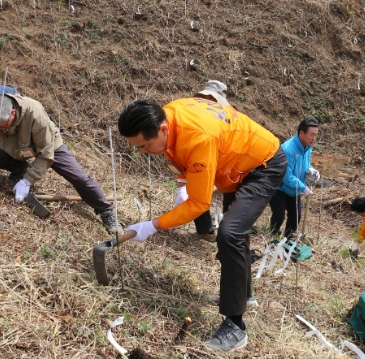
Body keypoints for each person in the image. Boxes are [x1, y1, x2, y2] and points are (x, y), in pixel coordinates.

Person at [118, 98, 287, 352]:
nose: (143, 151)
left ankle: (235, 326)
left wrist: (154, 225)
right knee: (235, 234)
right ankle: (244, 295)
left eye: (144, 145)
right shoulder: (169, 117)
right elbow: (180, 156)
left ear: (162, 129)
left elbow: (199, 204)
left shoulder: (197, 136)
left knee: (229, 234)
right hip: (234, 163)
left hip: (262, 164)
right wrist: (182, 184)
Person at [0, 94, 120, 234]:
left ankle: (106, 211)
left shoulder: (34, 113)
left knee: (79, 177)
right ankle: (19, 171)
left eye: (2, 125)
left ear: (12, 112)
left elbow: (46, 153)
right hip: (14, 146)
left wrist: (27, 181)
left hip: (47, 144)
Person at [173, 80, 231, 242]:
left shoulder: (227, 116)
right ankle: (205, 231)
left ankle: (229, 233)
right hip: (201, 163)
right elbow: (180, 156)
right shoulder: (189, 116)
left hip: (225, 164)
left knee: (231, 198)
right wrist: (181, 186)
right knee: (197, 192)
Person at [269, 117, 320, 238]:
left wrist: (311, 169)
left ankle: (288, 241)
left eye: (316, 135)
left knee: (295, 216)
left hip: (294, 189)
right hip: (279, 188)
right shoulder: (288, 149)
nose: (314, 138)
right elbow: (287, 176)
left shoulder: (307, 146)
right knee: (279, 215)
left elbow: (304, 163)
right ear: (301, 133)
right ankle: (273, 235)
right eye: (311, 135)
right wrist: (303, 187)